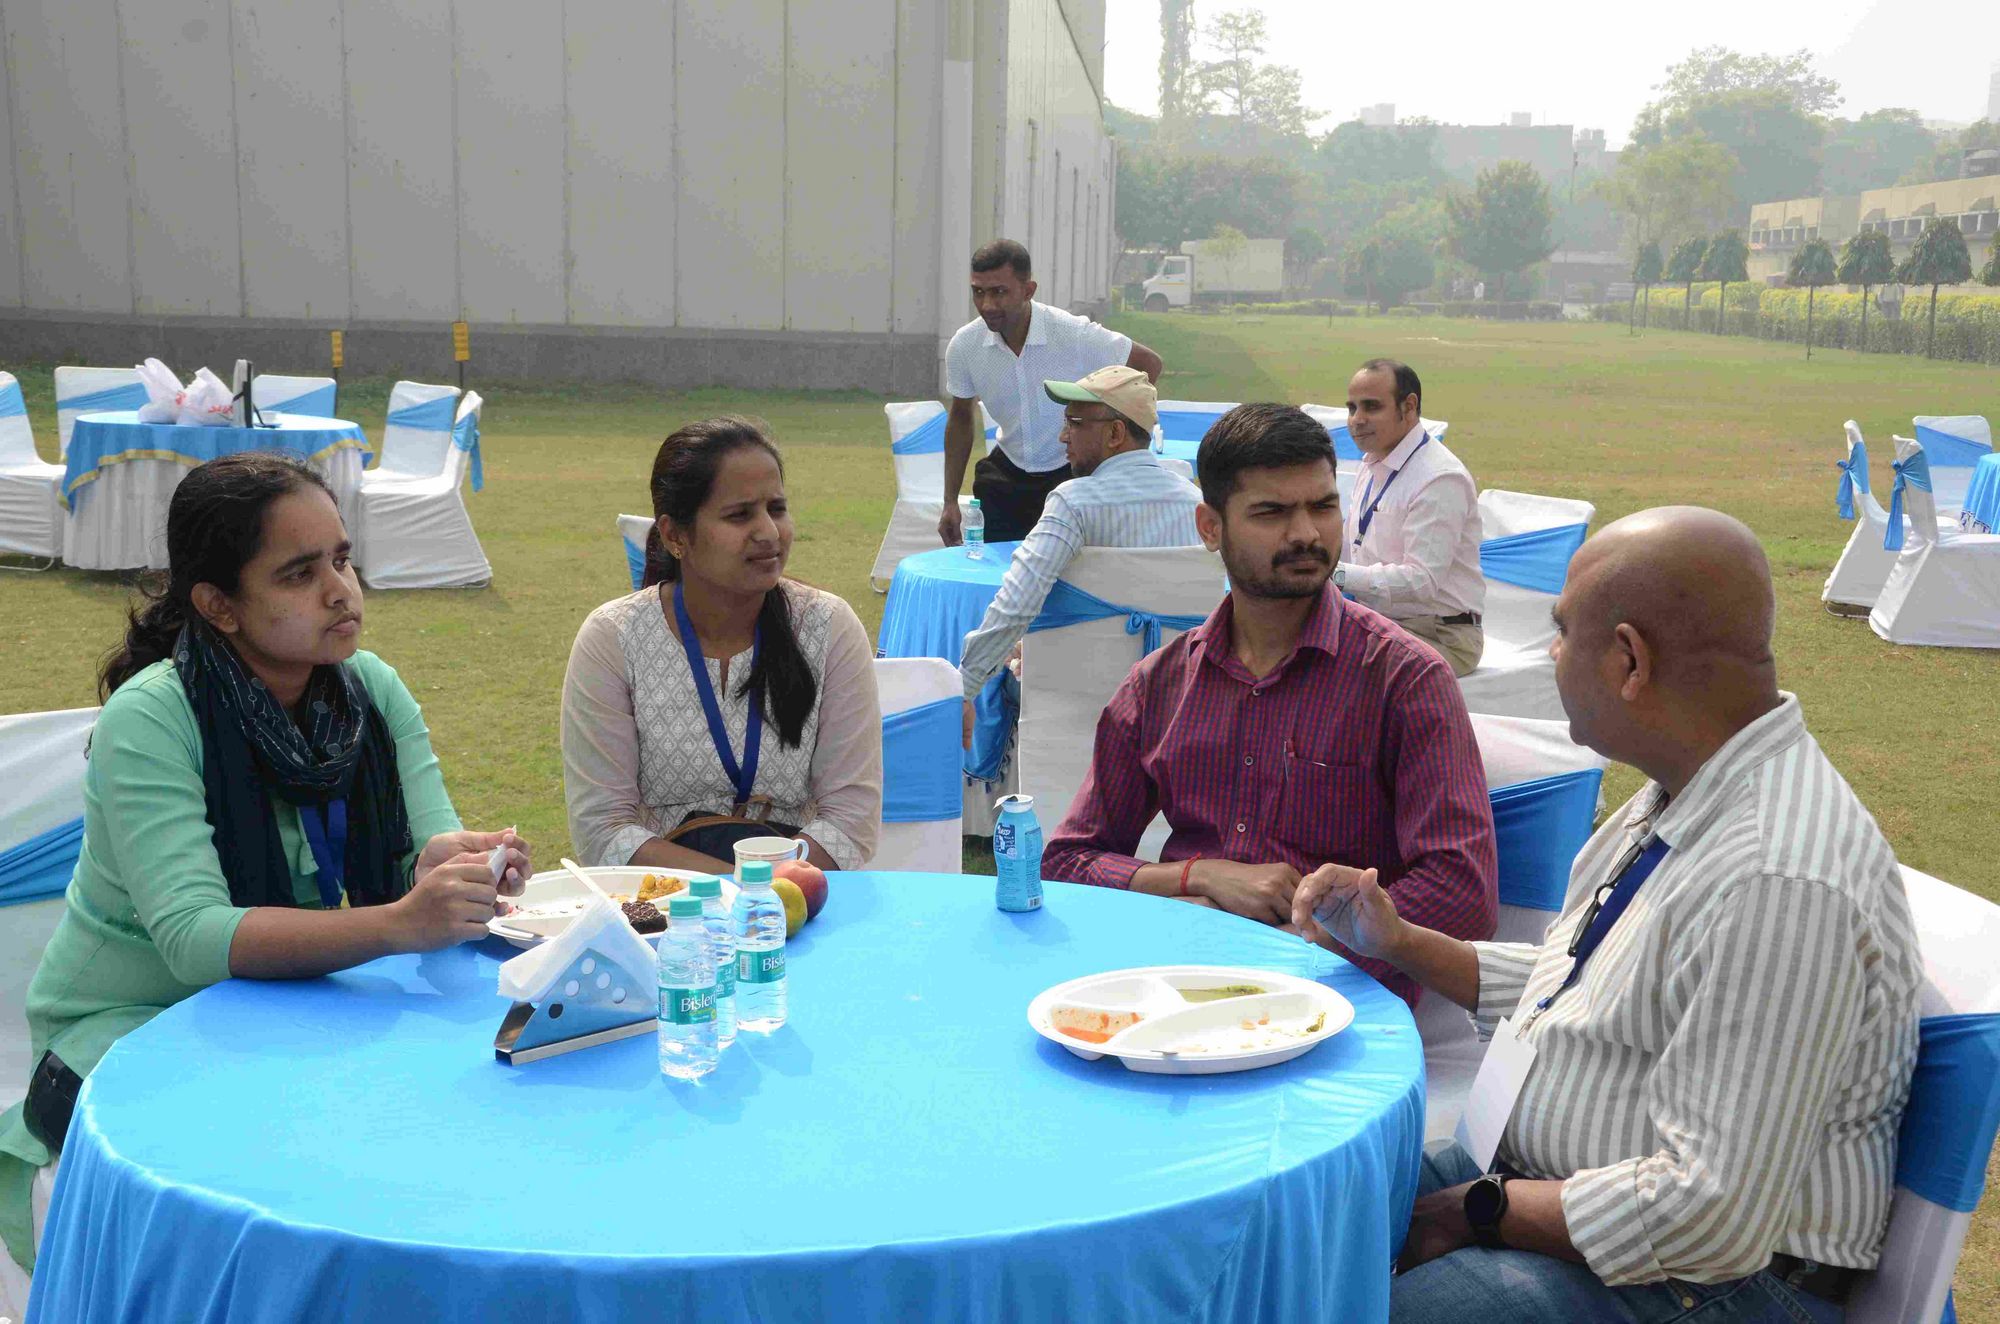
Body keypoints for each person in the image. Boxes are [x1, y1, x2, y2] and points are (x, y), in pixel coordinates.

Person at [1295, 507, 1922, 1323]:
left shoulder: (1779, 878)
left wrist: (1476, 1212)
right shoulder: (1690, 788)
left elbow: (1712, 1216)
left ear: (1629, 659)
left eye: (1562, 633)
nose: (1552, 654)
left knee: (1376, 1305)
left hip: (1708, 1282)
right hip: (1548, 1193)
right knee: (1302, 1204)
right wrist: (1400, 941)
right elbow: (1583, 978)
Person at [0, 454, 529, 1295]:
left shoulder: (368, 691)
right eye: (299, 573)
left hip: (292, 1016)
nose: (340, 591)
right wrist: (399, 922)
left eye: (343, 559)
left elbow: (415, 858)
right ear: (217, 605)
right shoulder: (153, 716)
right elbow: (197, 940)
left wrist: (453, 868)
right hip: (128, 1038)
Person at [1043, 404, 1497, 1006]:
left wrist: (1321, 934)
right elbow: (1069, 863)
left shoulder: (1403, 680)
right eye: (1272, 512)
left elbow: (1463, 892)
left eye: (1323, 506)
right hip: (1176, 987)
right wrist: (1197, 874)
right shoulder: (1160, 684)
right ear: (1210, 527)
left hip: (1336, 1006)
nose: (1306, 533)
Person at [562, 416, 881, 877]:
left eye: (777, 508)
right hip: (667, 912)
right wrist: (741, 889)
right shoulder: (613, 639)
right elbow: (604, 830)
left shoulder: (828, 627)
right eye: (739, 515)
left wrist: (775, 896)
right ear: (675, 535)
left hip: (803, 905)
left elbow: (850, 820)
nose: (769, 532)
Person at [957, 365, 1200, 744]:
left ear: (1116, 433)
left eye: (1074, 422)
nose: (1062, 436)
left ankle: (1000, 798)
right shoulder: (1197, 504)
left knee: (999, 681)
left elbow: (1016, 605)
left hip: (1073, 714)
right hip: (1179, 709)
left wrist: (966, 685)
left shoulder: (1074, 502)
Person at [939, 239, 1164, 544]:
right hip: (1005, 477)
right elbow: (961, 418)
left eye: (999, 292)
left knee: (1073, 578)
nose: (987, 305)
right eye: (978, 292)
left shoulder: (1072, 333)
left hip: (1070, 474)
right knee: (996, 574)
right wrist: (950, 501)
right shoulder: (964, 346)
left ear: (1028, 290)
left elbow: (1148, 364)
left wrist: (1106, 430)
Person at [1338, 359, 1486, 677]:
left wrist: (1334, 575)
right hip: (1380, 623)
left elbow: (1421, 582)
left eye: (1371, 407)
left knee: (1331, 668)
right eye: (1352, 408)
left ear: (1409, 406)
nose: (1357, 420)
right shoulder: (1371, 463)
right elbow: (1351, 545)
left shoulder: (1439, 477)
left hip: (1442, 637)